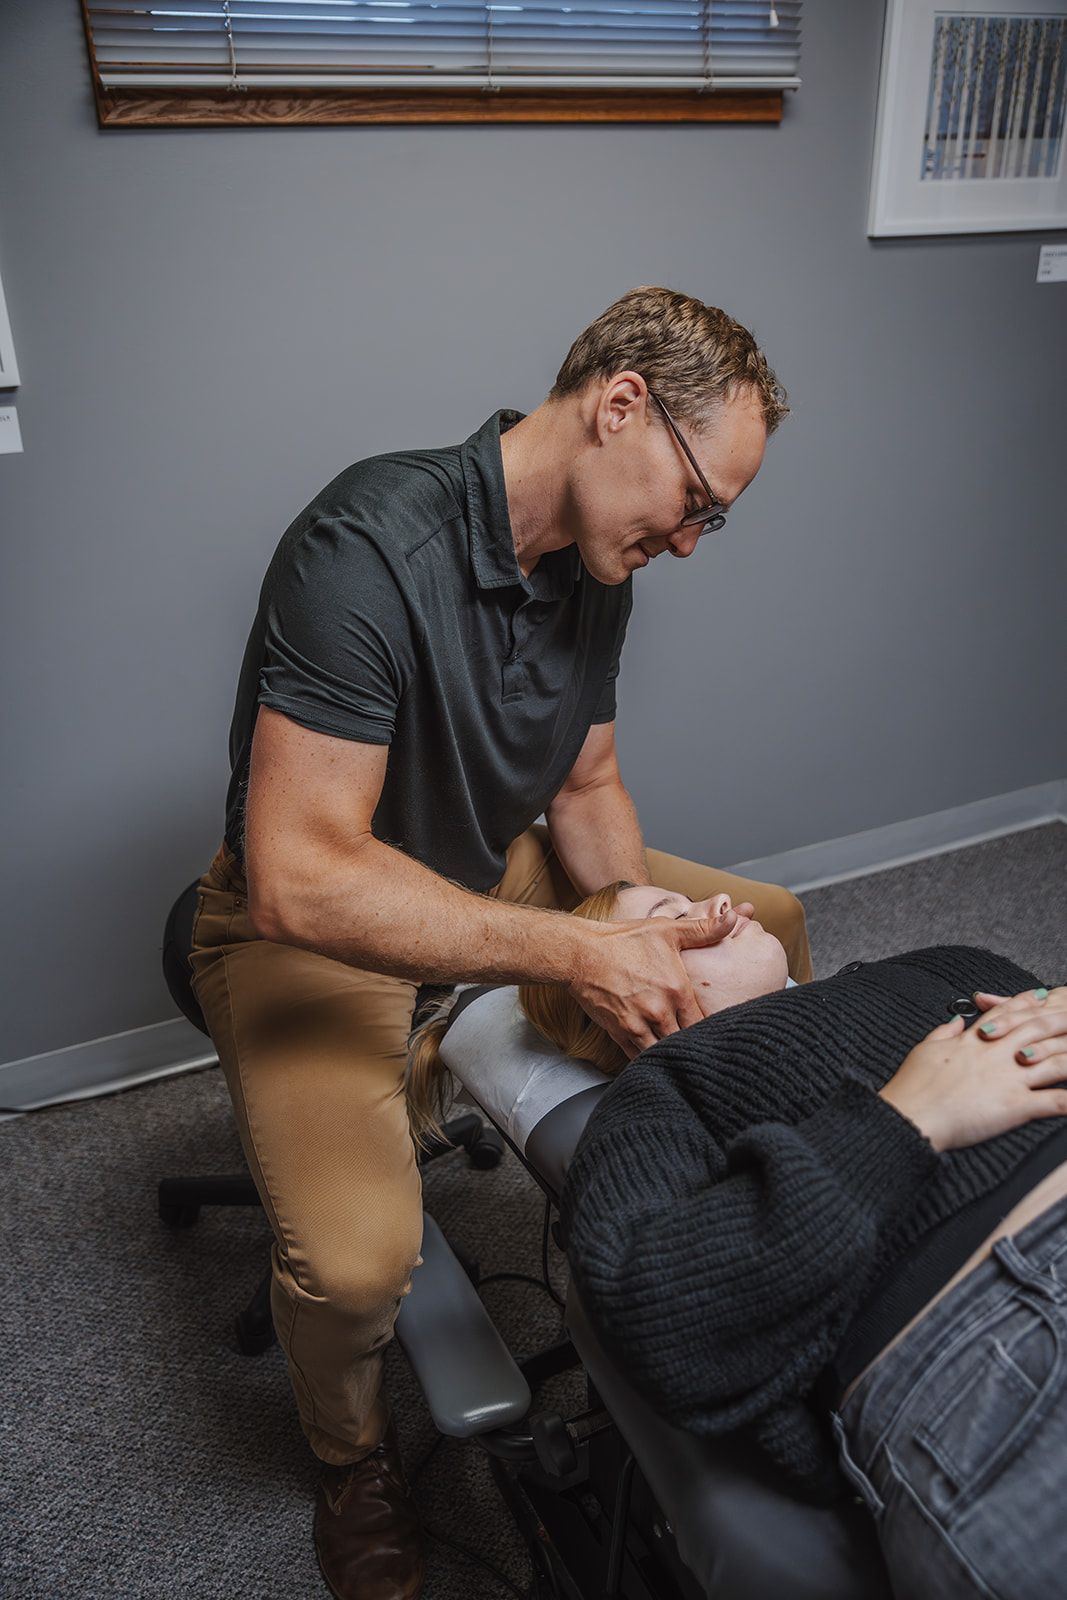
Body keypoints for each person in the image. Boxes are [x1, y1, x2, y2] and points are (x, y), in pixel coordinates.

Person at [187, 286, 813, 1600]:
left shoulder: (596, 564)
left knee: (769, 925)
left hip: (484, 869)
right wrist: (571, 956)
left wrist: (634, 914)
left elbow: (582, 790)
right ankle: (350, 1465)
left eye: (715, 521)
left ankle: (733, 1233)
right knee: (357, 1264)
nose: (693, 543)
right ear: (618, 405)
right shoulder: (367, 544)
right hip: (307, 927)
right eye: (696, 503)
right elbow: (301, 877)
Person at [453, 881, 1067, 1599]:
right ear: (619, 994)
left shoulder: (946, 960)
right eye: (671, 921)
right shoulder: (655, 1097)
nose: (719, 902)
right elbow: (661, 1321)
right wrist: (901, 1122)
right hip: (990, 1342)